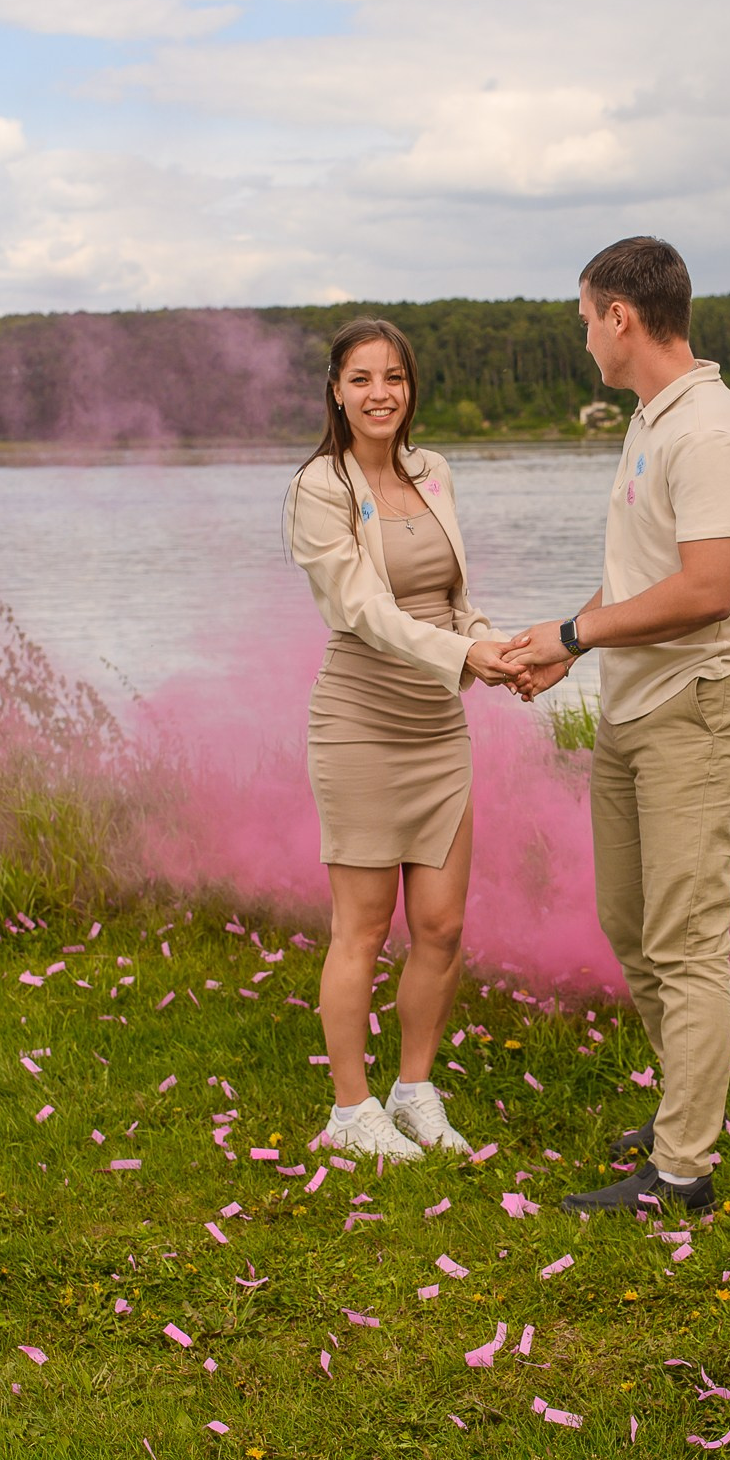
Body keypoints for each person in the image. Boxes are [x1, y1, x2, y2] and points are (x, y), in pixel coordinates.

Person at [504, 236, 730, 1216]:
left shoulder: (708, 428)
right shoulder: (654, 420)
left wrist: (579, 630)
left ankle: (681, 1170)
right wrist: (569, 645)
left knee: (684, 938)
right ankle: (683, 1110)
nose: (583, 339)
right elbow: (644, 579)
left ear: (622, 314)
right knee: (632, 922)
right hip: (635, 707)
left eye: (585, 319)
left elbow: (704, 592)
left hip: (695, 710)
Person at [288, 318, 525, 1161]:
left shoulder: (434, 473)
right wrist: (469, 655)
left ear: (411, 387)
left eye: (394, 377)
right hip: (360, 721)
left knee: (442, 924)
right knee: (361, 927)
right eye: (361, 379)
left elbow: (453, 593)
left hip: (436, 723)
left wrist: (495, 642)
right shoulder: (319, 486)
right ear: (337, 391)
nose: (380, 393)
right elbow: (362, 609)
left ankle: (414, 1088)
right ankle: (350, 1113)